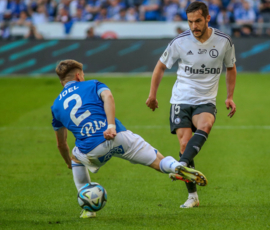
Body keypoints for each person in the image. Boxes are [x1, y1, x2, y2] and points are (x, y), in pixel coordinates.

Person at [51, 59, 207, 219]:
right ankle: (175, 166)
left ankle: (88, 209)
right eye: (82, 74)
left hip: (91, 150)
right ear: (78, 75)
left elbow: (61, 144)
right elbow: (108, 96)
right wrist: (110, 125)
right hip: (118, 136)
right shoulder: (92, 84)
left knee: (76, 158)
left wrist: (68, 162)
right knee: (158, 161)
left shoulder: (56, 106)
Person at [146, 1, 237, 208]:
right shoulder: (180, 41)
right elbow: (160, 66)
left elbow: (231, 68)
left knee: (206, 125)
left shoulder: (224, 41)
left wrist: (229, 96)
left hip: (206, 100)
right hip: (181, 99)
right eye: (190, 22)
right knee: (185, 145)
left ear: (207, 18)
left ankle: (181, 166)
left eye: (197, 21)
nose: (194, 26)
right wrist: (152, 95)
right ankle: (192, 197)